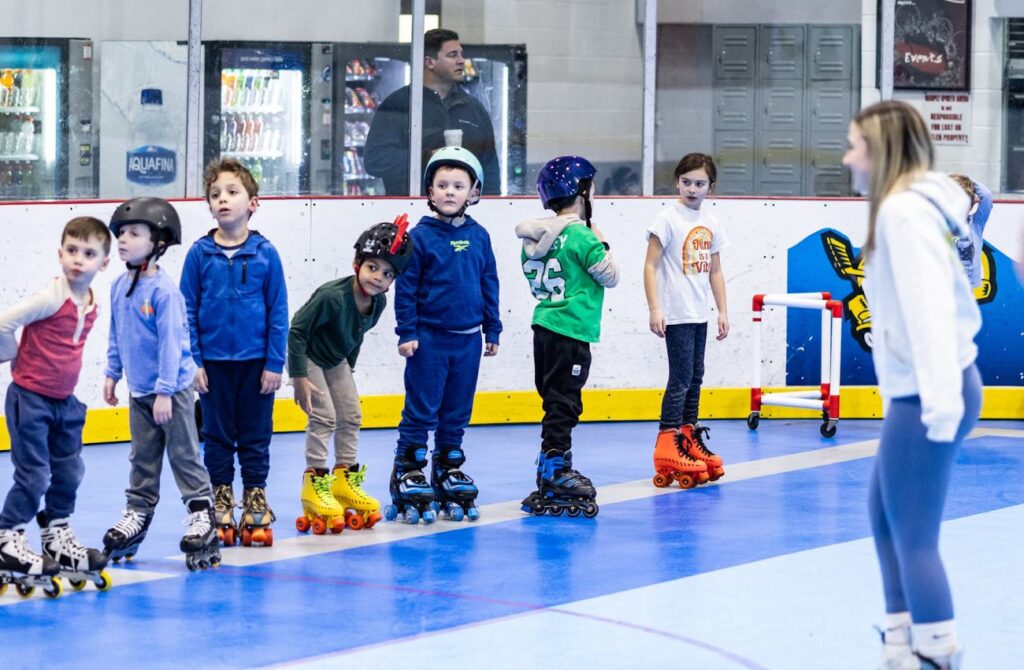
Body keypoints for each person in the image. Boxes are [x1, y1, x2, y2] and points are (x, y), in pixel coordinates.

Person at [841, 100, 981, 670]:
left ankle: (935, 653)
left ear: (879, 154)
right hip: (926, 385)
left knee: (915, 535)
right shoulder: (912, 206)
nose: (846, 158)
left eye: (854, 146)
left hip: (930, 389)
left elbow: (928, 313)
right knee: (884, 516)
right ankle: (900, 642)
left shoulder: (903, 213)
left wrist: (940, 404)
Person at [102, 197, 220, 571]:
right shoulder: (120, 286)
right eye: (121, 233)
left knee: (184, 455)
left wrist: (167, 390)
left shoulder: (164, 292)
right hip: (139, 392)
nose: (123, 239)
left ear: (159, 243)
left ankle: (202, 515)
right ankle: (136, 514)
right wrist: (112, 372)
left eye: (134, 233)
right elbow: (117, 334)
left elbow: (173, 344)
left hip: (174, 392)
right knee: (142, 458)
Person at [387, 146, 501, 524]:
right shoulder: (419, 237)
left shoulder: (480, 236)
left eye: (458, 185)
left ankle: (448, 466)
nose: (450, 192)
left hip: (467, 340)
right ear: (430, 192)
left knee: (456, 410)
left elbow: (489, 283)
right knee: (421, 408)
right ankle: (409, 467)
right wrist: (407, 331)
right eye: (442, 185)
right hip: (429, 340)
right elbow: (406, 288)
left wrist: (492, 327)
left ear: (473, 192)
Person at [0, 217, 111, 597]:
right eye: (72, 251)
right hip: (30, 399)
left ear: (104, 262)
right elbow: (4, 323)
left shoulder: (92, 302)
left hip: (64, 402)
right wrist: (11, 355)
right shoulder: (52, 297)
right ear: (60, 253)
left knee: (69, 471)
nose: (79, 260)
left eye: (89, 253)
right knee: (34, 474)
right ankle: (7, 537)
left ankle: (56, 534)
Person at [180, 158, 288, 548]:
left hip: (257, 364)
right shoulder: (199, 255)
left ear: (253, 203)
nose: (223, 200)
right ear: (208, 205)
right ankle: (221, 497)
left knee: (257, 435)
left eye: (232, 192)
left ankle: (255, 496)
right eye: (215, 195)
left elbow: (278, 311)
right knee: (217, 435)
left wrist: (275, 362)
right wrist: (193, 361)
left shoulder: (265, 253)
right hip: (213, 367)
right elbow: (186, 311)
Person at [289, 216, 413, 534]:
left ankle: (344, 482)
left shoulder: (379, 302)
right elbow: (298, 332)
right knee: (325, 416)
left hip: (337, 359)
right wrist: (299, 378)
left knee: (352, 413)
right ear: (357, 263)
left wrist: (349, 371)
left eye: (388, 274)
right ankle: (314, 483)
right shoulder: (332, 296)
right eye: (373, 267)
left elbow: (356, 336)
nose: (378, 278)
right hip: (310, 355)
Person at [516, 156, 619, 518]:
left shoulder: (533, 238)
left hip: (544, 326)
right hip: (572, 329)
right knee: (565, 403)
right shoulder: (580, 235)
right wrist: (602, 243)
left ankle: (550, 464)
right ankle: (556, 469)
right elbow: (610, 276)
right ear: (582, 193)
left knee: (553, 398)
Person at [644, 153, 729, 489]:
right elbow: (650, 265)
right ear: (677, 182)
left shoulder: (711, 222)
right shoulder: (667, 219)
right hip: (676, 313)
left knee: (696, 377)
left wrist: (722, 310)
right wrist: (655, 308)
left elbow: (716, 270)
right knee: (680, 378)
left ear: (711, 186)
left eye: (700, 183)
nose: (693, 189)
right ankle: (667, 441)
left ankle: (688, 437)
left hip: (699, 312)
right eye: (687, 182)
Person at [364, 28, 501, 197]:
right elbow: (375, 160)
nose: (461, 61)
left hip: (466, 214)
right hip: (410, 208)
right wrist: (427, 156)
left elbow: (490, 169)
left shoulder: (473, 108)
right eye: (452, 55)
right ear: (429, 62)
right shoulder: (400, 104)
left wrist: (491, 205)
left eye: (461, 54)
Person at [948, 174, 993, 290]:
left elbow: (987, 196)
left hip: (969, 286)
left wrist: (967, 181)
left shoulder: (976, 224)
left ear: (971, 205)